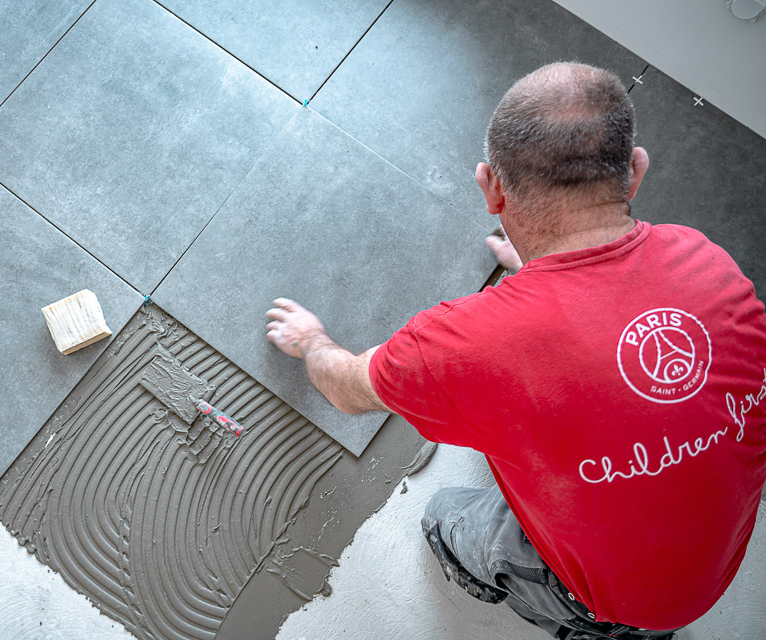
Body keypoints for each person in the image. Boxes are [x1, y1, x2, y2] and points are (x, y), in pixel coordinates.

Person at [264, 62, 766, 639]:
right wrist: (543, 268)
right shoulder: (711, 264)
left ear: (491, 187)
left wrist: (312, 342)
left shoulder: (460, 347)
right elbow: (601, 324)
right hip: (717, 559)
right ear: (635, 172)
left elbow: (348, 388)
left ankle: (585, 622)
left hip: (625, 604)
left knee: (444, 518)